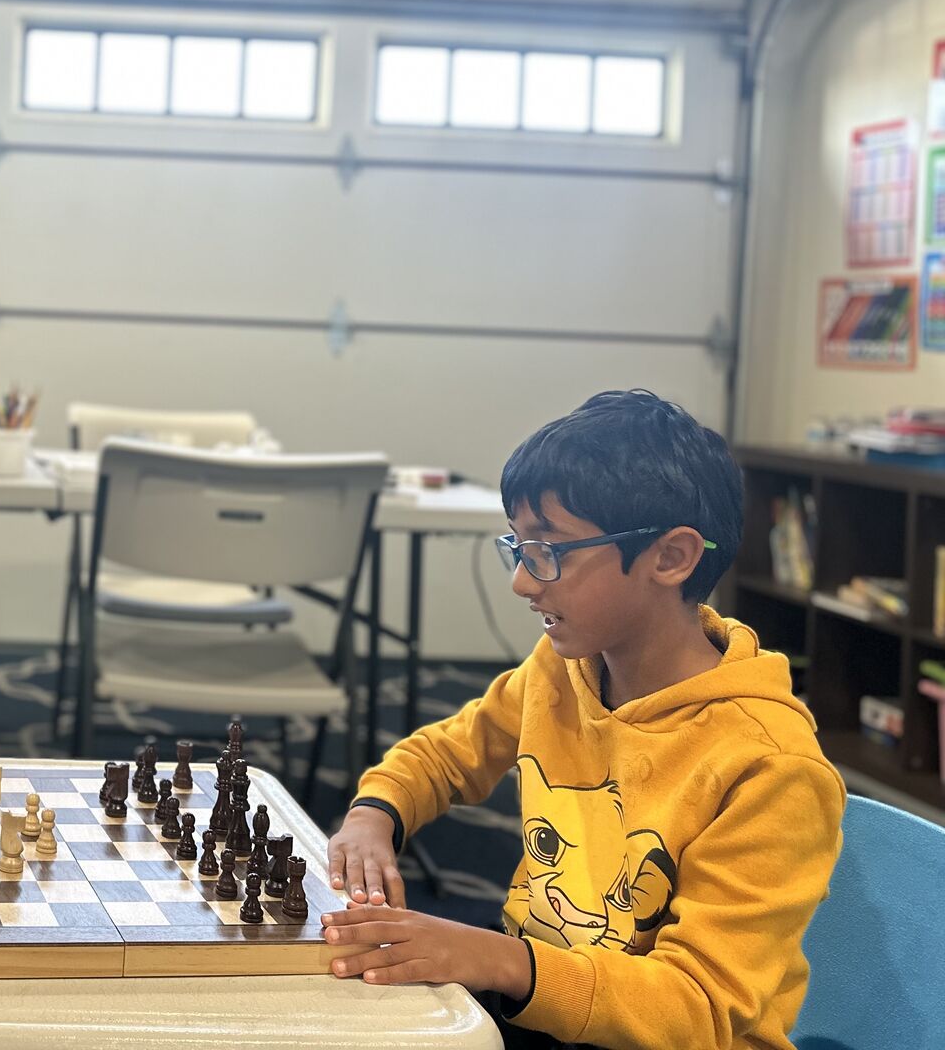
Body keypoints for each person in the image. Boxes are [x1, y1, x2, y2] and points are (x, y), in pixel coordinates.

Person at [323, 389, 843, 1050]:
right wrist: (376, 814)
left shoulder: (768, 768)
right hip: (540, 1001)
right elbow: (450, 751)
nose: (521, 581)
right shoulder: (565, 668)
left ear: (671, 558)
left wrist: (498, 960)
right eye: (518, 546)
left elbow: (699, 1008)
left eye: (551, 551)